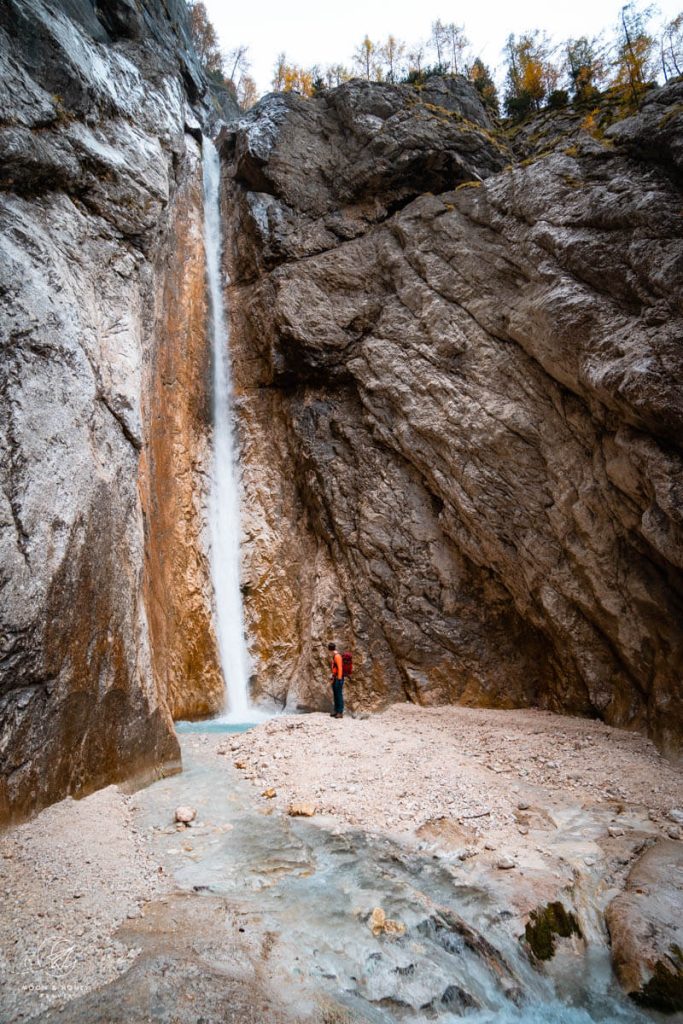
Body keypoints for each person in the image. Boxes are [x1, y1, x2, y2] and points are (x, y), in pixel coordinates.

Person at [328, 642, 344, 718]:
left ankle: (340, 712)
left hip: (338, 678)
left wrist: (339, 679)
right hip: (335, 677)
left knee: (339, 695)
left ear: (330, 650)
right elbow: (335, 668)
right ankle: (336, 711)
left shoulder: (337, 656)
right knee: (335, 695)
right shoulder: (334, 656)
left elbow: (340, 668)